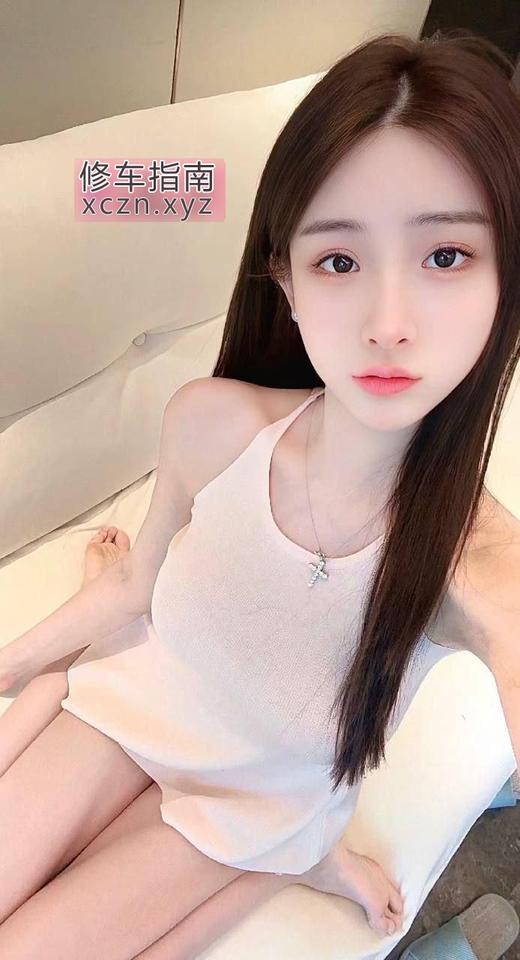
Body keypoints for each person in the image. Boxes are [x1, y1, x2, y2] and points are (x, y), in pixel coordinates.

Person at [0, 28, 519, 960]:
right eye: (339, 261)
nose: (388, 324)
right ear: (285, 277)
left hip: (252, 801)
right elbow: (137, 587)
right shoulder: (215, 422)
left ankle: (305, 850)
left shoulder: (476, 562)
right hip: (143, 692)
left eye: (445, 256)